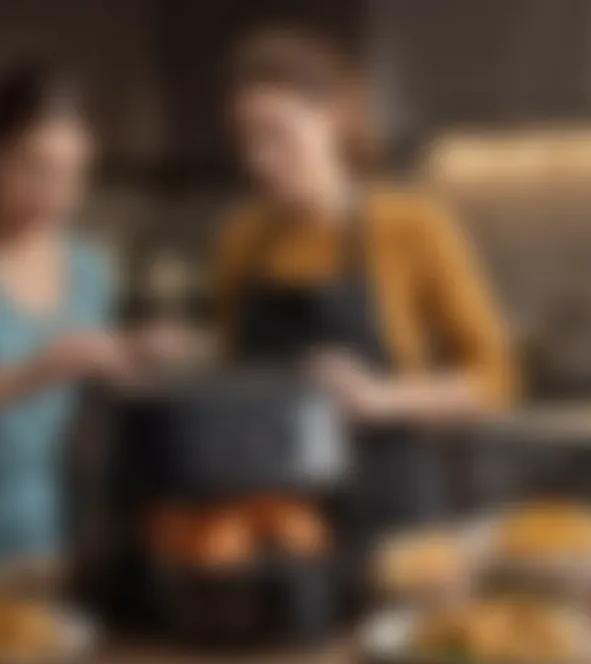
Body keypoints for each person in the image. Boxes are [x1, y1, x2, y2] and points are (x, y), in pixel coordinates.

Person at [215, 28, 515, 552]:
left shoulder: (412, 225)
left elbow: (496, 378)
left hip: (392, 516)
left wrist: (379, 398)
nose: (259, 159)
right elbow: (228, 371)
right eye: (247, 138)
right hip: (272, 522)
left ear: (332, 116)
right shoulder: (239, 240)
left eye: (277, 134)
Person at [0, 62, 130, 563]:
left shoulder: (92, 269)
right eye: (35, 168)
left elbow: (85, 417)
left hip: (50, 541)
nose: (55, 195)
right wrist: (30, 373)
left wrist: (135, 362)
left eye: (72, 174)